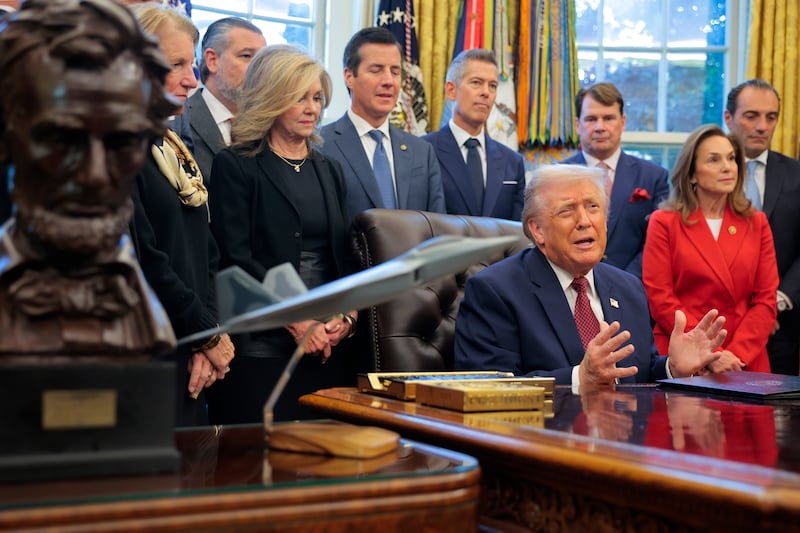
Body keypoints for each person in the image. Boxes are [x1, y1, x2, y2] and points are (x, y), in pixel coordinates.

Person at [0, 0, 174, 356]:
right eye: (62, 141)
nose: (94, 176)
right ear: (7, 137)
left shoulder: (147, 316)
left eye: (122, 143)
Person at [454, 164, 726, 387]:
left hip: (623, 446)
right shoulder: (495, 291)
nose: (585, 221)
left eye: (593, 207)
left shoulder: (628, 288)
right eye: (567, 210)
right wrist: (578, 378)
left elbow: (636, 374)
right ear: (537, 230)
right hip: (546, 445)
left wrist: (671, 368)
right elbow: (488, 387)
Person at [207, 45, 357, 423]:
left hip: (327, 344)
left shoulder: (329, 169)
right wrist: (296, 321)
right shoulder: (236, 165)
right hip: (263, 344)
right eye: (298, 98)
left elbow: (342, 255)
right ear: (271, 99)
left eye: (317, 97)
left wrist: (347, 316)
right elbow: (234, 260)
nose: (312, 108)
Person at [129, 3, 235, 426]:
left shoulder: (172, 144)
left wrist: (206, 335)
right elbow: (146, 261)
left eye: (190, 64)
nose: (192, 80)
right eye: (175, 65)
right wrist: (205, 335)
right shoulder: (114, 150)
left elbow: (206, 251)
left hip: (190, 349)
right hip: (147, 354)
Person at [643, 125, 778, 374]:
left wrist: (735, 355)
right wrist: (711, 353)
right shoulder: (664, 222)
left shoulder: (756, 222)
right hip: (686, 358)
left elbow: (765, 301)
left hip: (743, 359)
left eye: (731, 158)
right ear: (692, 174)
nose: (727, 167)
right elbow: (661, 298)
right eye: (714, 160)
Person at [319, 26, 444, 223]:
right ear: (349, 76)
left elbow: (438, 228)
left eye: (395, 72)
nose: (388, 81)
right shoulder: (320, 146)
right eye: (376, 70)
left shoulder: (422, 152)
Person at [724, 79, 800, 376]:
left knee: (777, 421)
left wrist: (775, 303)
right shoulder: (706, 175)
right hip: (718, 325)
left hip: (781, 327)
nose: (762, 126)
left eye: (771, 117)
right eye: (751, 116)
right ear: (729, 118)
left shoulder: (796, 174)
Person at [563, 82, 669, 278]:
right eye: (591, 119)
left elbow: (659, 243)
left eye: (608, 118)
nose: (599, 127)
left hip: (635, 287)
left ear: (623, 122)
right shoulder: (557, 178)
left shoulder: (654, 178)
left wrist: (624, 283)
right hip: (571, 285)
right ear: (578, 125)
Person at [422, 49, 525, 220]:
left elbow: (518, 233)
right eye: (476, 83)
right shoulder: (423, 152)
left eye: (492, 85)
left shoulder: (512, 162)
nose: (486, 92)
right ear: (451, 90)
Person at [183, 17, 266, 181]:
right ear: (212, 60)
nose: (259, 68)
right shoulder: (180, 122)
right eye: (247, 56)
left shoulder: (268, 127)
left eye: (263, 60)